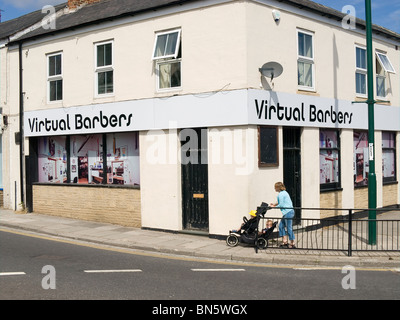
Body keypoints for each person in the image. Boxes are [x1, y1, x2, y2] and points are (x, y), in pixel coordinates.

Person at [270, 182, 296, 248]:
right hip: (288, 212)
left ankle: (292, 242)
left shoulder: (281, 194)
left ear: (278, 188)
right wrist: (274, 204)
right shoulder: (284, 192)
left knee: (288, 227)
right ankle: (285, 241)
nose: (274, 188)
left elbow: (281, 204)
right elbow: (279, 202)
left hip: (288, 212)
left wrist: (273, 207)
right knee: (281, 226)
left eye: (275, 187)